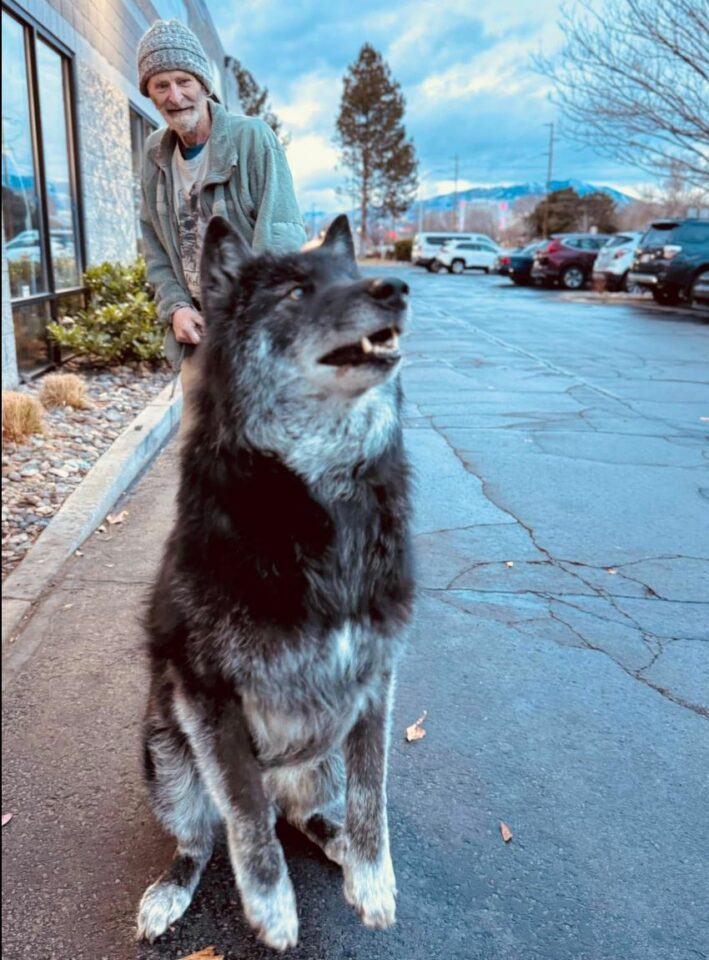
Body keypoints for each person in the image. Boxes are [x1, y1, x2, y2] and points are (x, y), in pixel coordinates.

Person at [137, 18, 306, 416]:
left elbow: (281, 240)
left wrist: (254, 320)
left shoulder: (252, 139)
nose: (175, 95)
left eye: (184, 80)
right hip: (197, 333)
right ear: (149, 93)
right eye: (161, 85)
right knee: (207, 452)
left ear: (203, 84)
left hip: (257, 328)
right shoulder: (154, 154)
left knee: (267, 450)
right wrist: (176, 307)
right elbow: (155, 246)